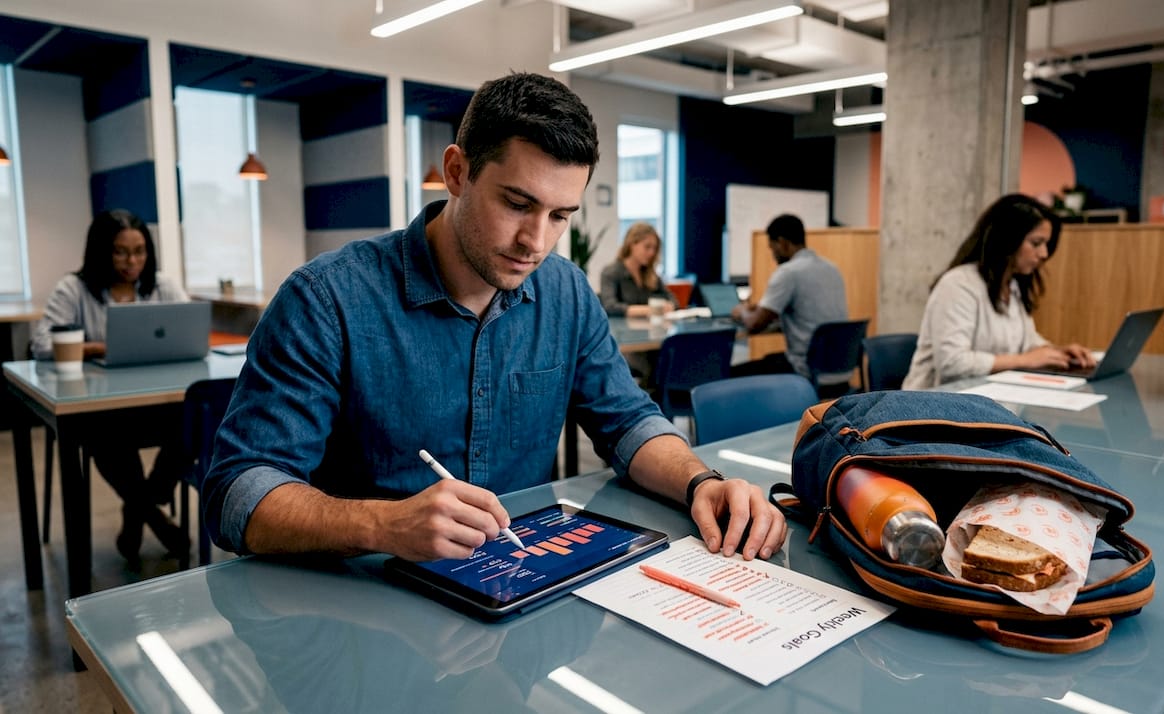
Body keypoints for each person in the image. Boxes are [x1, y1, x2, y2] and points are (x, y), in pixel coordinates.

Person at [200, 72, 785, 565]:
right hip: (361, 595)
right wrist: (382, 525)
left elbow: (627, 420)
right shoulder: (326, 300)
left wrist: (700, 483)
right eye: (517, 203)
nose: (536, 242)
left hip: (514, 576)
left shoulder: (566, 294)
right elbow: (237, 493)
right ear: (458, 172)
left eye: (560, 215)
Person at [31, 208, 191, 568]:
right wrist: (102, 346)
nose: (132, 261)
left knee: (196, 421)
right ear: (101, 251)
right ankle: (153, 514)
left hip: (158, 402)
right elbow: (41, 343)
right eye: (121, 251)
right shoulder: (73, 288)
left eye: (139, 251)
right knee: (104, 435)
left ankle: (139, 507)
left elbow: (186, 331)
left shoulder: (162, 285)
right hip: (103, 409)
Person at [903, 194, 1095, 390]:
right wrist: (1024, 360)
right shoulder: (958, 285)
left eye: (1046, 244)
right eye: (1036, 243)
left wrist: (1058, 353)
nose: (1044, 254)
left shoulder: (1012, 286)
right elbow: (952, 363)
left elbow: (1027, 343)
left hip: (985, 401)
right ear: (1007, 240)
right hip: (932, 406)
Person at [730, 214, 848, 381]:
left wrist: (741, 310)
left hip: (806, 371)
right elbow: (809, 311)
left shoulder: (788, 272)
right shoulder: (832, 269)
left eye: (772, 248)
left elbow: (754, 324)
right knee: (771, 360)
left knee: (731, 375)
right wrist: (762, 309)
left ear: (783, 242)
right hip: (840, 368)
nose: (773, 256)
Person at [597, 222, 673, 318]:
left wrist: (669, 306)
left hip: (649, 329)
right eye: (647, 247)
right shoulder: (611, 273)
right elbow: (610, 307)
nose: (652, 253)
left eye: (654, 248)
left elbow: (672, 299)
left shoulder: (650, 274)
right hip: (621, 331)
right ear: (632, 244)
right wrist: (650, 309)